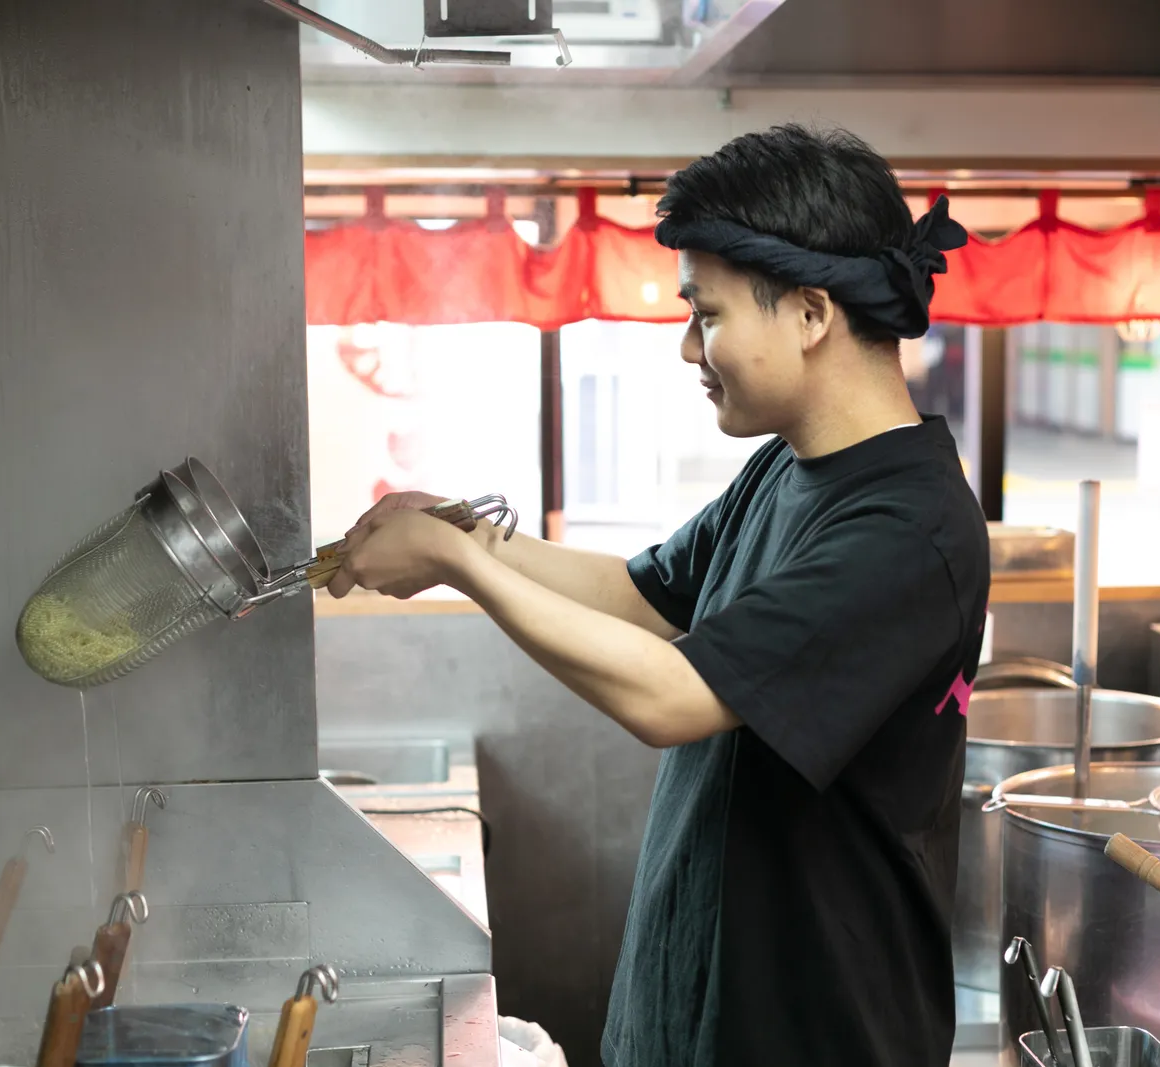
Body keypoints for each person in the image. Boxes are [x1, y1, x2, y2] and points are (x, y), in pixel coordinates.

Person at [329, 124, 991, 1067]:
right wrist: (464, 533)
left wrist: (463, 568)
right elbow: (641, 598)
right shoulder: (787, 468)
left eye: (706, 314)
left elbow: (673, 696)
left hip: (810, 1036)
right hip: (695, 1018)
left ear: (811, 313)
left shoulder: (909, 532)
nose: (688, 347)